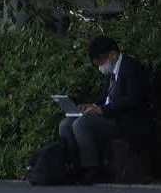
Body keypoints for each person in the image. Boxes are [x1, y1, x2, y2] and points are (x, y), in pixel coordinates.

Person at [58, 37, 152, 182]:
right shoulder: (112, 72)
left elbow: (132, 100)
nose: (100, 67)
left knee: (81, 124)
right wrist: (93, 105)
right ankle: (72, 166)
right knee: (66, 123)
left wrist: (103, 110)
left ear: (112, 54)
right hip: (108, 114)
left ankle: (91, 170)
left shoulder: (131, 68)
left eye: (100, 62)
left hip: (124, 120)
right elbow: (106, 96)